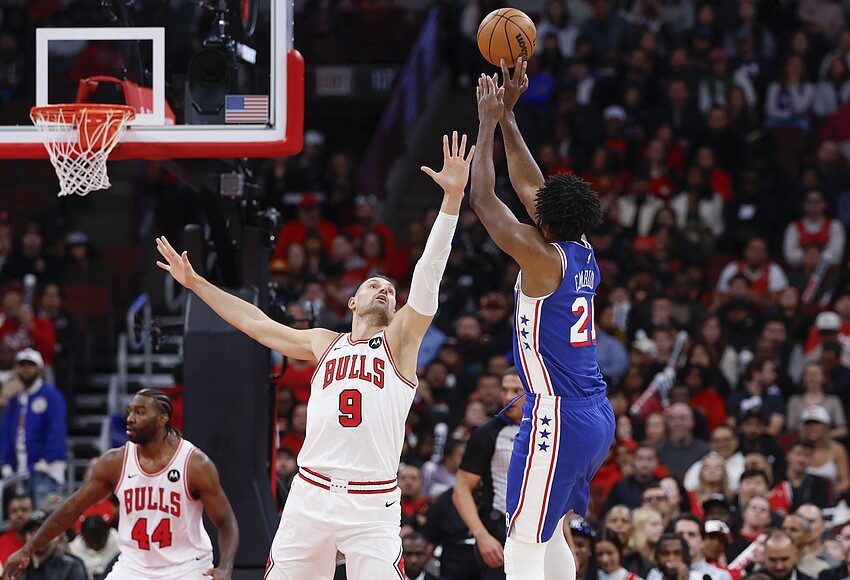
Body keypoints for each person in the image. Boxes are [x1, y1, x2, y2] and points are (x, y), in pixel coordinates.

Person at [157, 132, 475, 579]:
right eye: (374, 285)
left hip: (372, 501)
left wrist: (452, 201)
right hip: (311, 493)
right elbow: (256, 324)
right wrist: (196, 284)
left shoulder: (401, 342)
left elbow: (428, 274)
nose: (384, 290)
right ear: (352, 302)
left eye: (390, 289)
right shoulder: (325, 341)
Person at [472, 61, 616, 580]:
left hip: (557, 416)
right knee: (549, 529)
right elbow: (533, 186)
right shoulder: (582, 246)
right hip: (595, 413)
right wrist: (510, 118)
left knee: (522, 539)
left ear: (545, 220)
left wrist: (487, 123)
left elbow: (483, 198)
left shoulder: (540, 258)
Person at [1, 389, 238, 580]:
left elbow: (226, 521)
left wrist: (225, 567)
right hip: (134, 567)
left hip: (186, 567)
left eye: (140, 412)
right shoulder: (115, 462)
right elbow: (72, 508)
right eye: (129, 411)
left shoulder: (194, 464)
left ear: (162, 419)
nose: (130, 418)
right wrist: (27, 549)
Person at [453, 368, 526, 579]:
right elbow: (461, 490)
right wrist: (482, 536)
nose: (509, 397)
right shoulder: (487, 433)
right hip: (499, 529)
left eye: (516, 391)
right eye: (504, 390)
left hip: (539, 528)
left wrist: (566, 541)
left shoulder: (548, 431)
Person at [0, 348, 67, 508]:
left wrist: (45, 461)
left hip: (46, 471)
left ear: (40, 369)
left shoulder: (52, 396)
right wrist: (5, 464)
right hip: (18, 474)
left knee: (47, 517)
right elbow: (6, 434)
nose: (26, 369)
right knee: (20, 520)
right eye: (22, 365)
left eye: (31, 365)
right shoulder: (14, 400)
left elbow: (57, 432)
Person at [14, 510, 87, 580]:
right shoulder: (18, 568)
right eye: (32, 531)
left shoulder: (71, 566)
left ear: (55, 534)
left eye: (43, 531)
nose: (37, 537)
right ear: (25, 536)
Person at [67, 515, 120, 580]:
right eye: (91, 542)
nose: (95, 546)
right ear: (83, 537)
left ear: (107, 534)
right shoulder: (74, 549)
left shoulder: (118, 542)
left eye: (99, 542)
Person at [0, 494, 33, 564]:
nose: (19, 515)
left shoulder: (44, 541)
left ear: (33, 511)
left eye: (24, 510)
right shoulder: (1, 543)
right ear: (8, 514)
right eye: (14, 511)